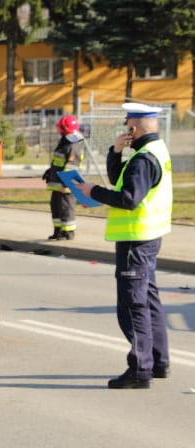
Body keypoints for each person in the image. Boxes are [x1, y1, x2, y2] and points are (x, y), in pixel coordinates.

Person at [75, 103, 172, 389]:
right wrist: (115, 152)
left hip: (135, 240)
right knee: (149, 300)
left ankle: (141, 368)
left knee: (133, 305)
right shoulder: (155, 151)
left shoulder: (143, 159)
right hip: (149, 236)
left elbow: (128, 198)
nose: (124, 127)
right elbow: (122, 181)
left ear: (134, 127)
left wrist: (93, 191)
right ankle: (158, 361)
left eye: (127, 123)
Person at [42, 115, 85, 240]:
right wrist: (50, 172)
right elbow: (58, 161)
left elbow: (72, 167)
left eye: (60, 128)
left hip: (65, 184)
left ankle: (69, 233)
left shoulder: (73, 145)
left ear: (65, 129)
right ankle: (58, 231)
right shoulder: (64, 142)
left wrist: (67, 185)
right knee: (56, 207)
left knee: (66, 208)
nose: (58, 130)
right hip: (57, 182)